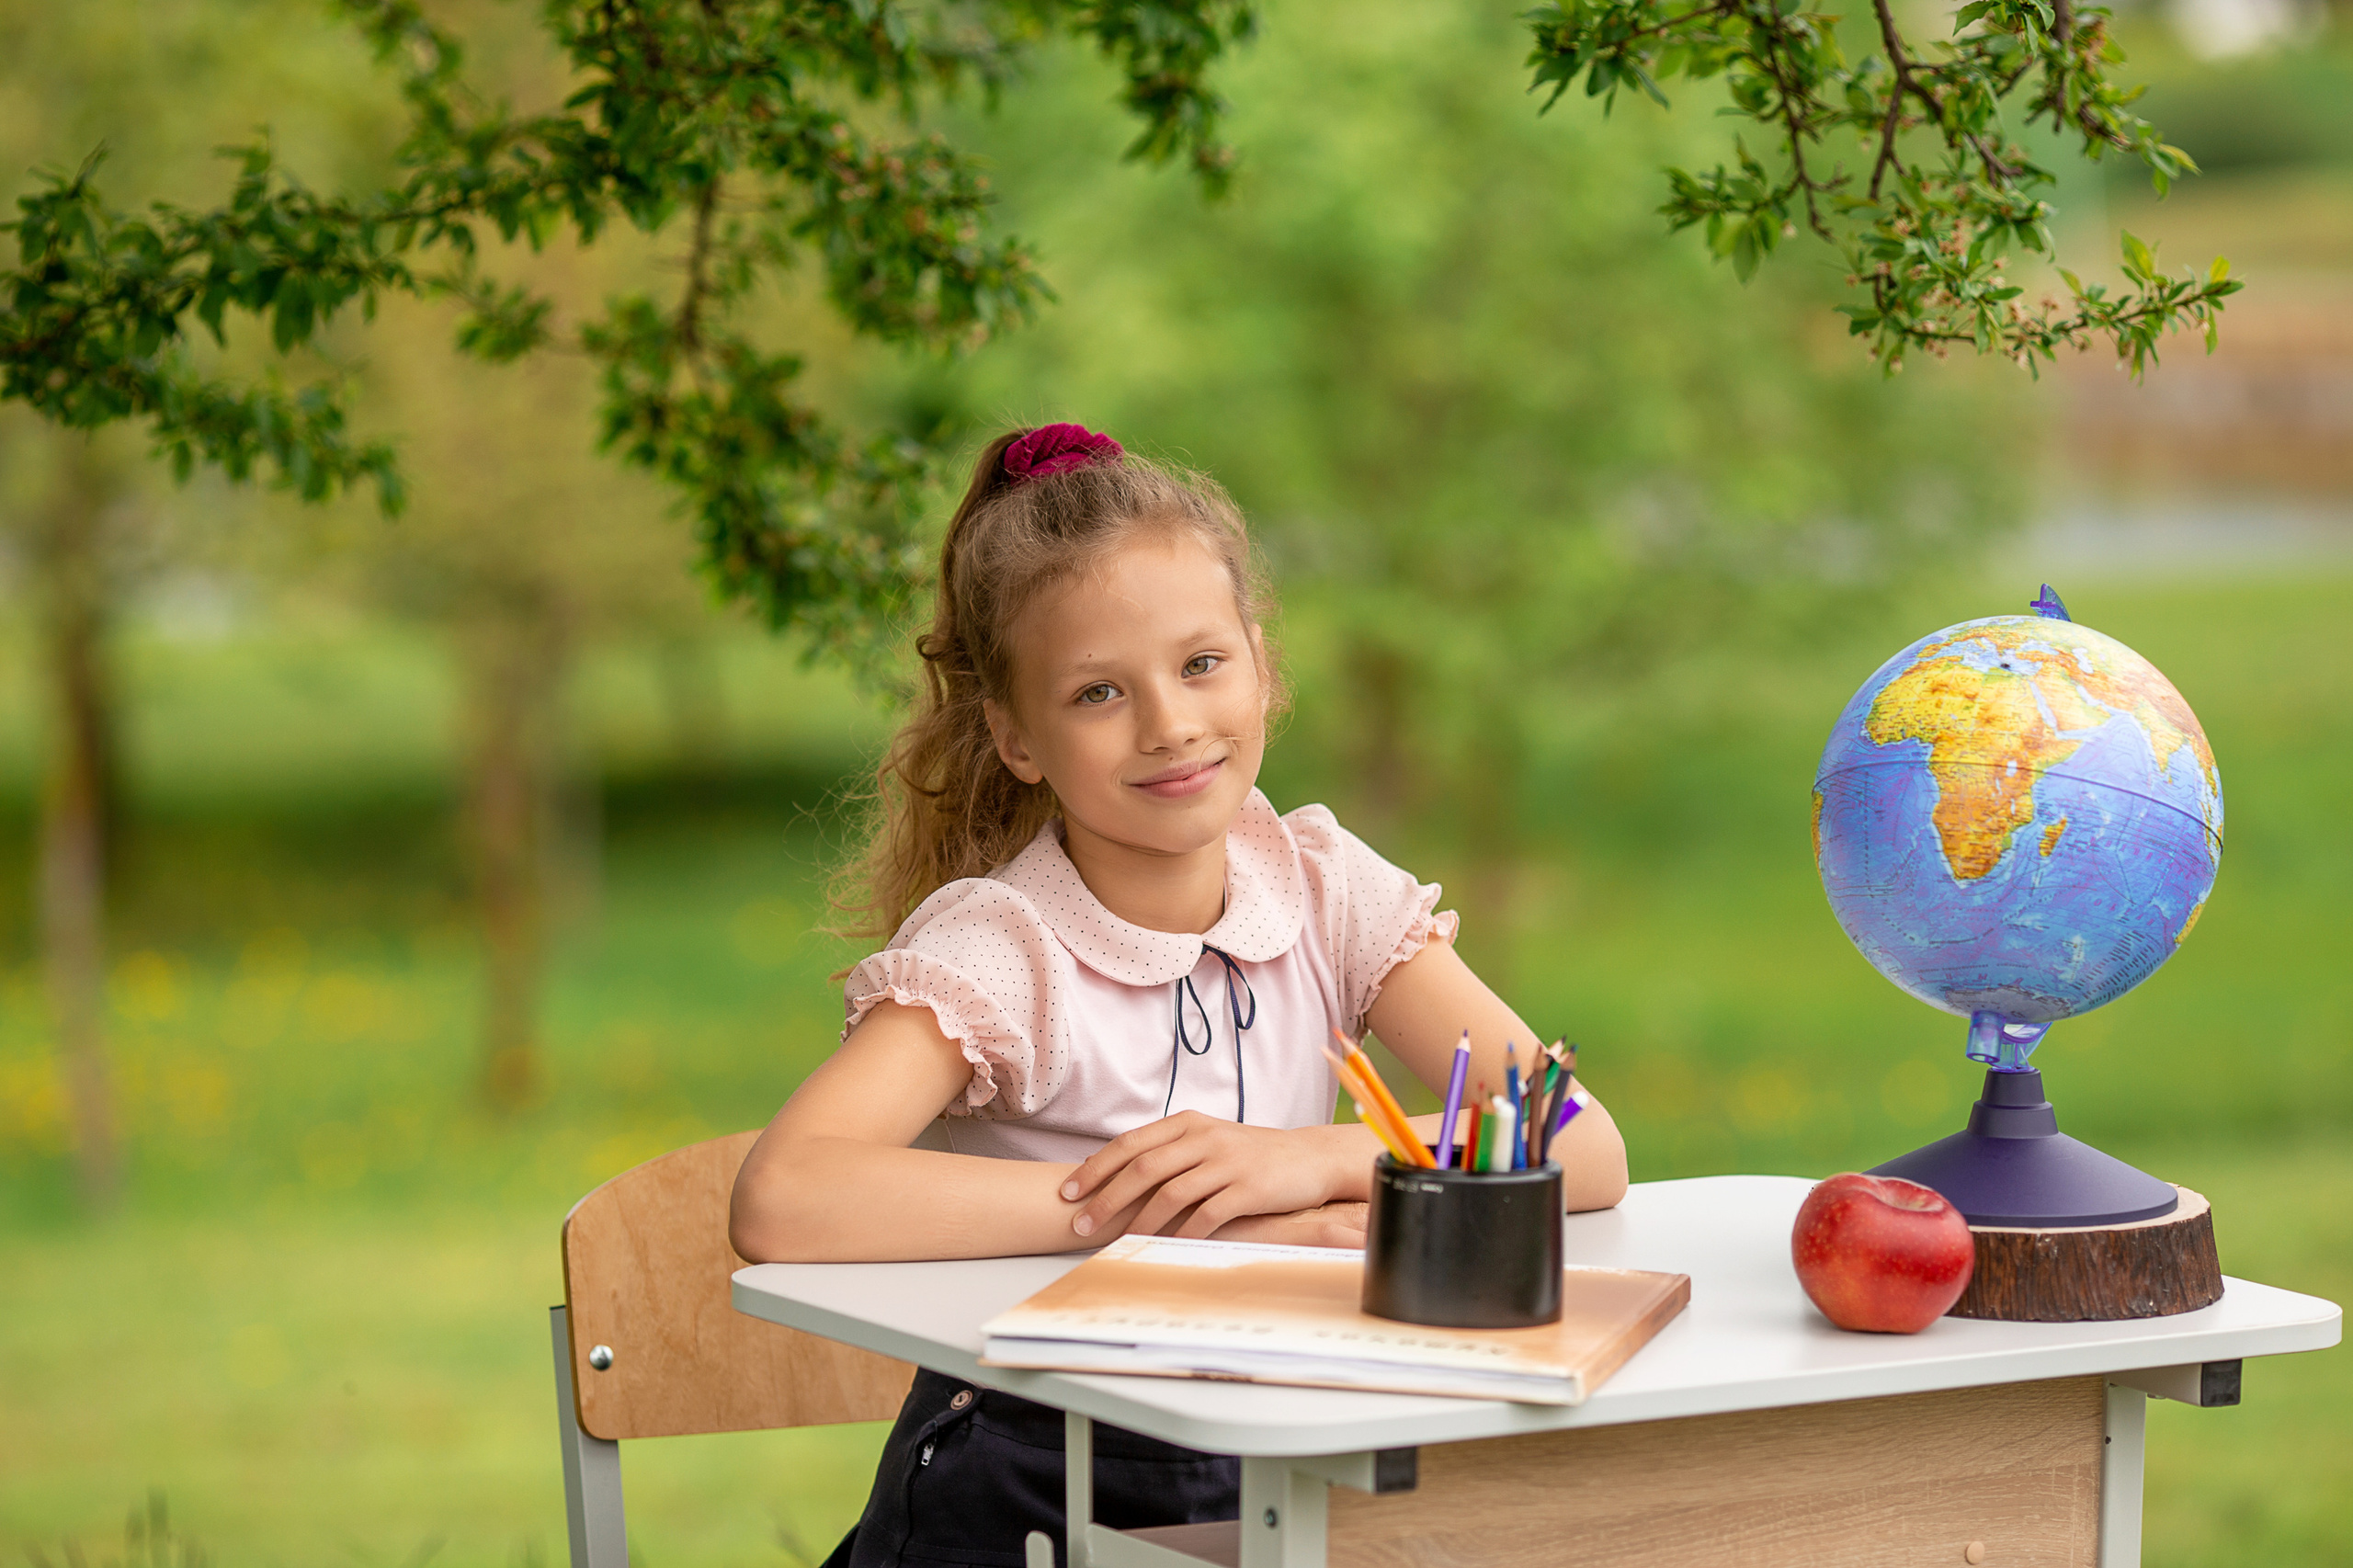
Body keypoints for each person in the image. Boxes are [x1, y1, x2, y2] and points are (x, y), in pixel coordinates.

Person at [730, 423, 1628, 1568]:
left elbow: (1578, 1141)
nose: (1169, 725)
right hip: (1032, 1477)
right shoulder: (1005, 945)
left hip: (1292, 1446)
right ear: (1015, 734)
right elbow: (785, 1194)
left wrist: (1309, 1163)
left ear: (1260, 663)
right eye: (1099, 691)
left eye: (1201, 663)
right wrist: (1155, 1209)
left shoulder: (1324, 886)